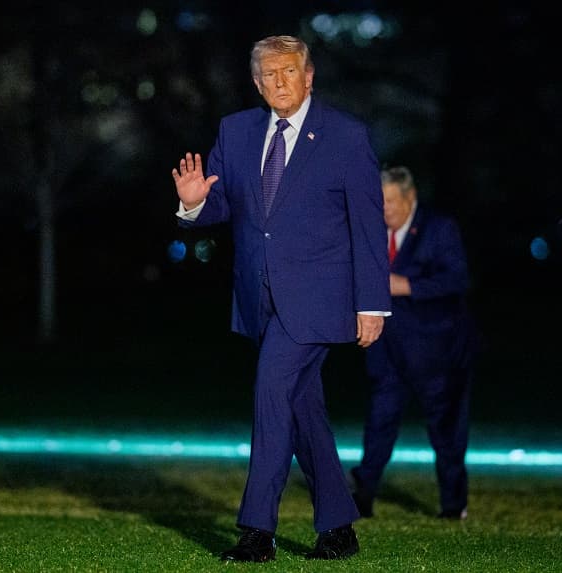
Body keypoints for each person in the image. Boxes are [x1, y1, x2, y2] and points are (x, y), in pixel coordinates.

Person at [171, 35, 391, 562]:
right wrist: (194, 205)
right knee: (302, 407)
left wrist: (372, 304)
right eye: (268, 74)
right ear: (256, 82)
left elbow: (368, 225)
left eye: (289, 71)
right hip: (260, 298)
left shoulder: (345, 136)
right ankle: (338, 528)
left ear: (308, 77)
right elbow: (225, 204)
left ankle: (257, 531)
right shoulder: (237, 130)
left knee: (271, 392)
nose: (279, 82)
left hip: (319, 301)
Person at [350, 166, 479, 521]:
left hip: (438, 351)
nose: (384, 208)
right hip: (387, 350)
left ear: (410, 198)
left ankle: (453, 504)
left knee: (446, 429)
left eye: (390, 201)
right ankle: (363, 495)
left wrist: (407, 285)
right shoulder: (370, 230)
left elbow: (458, 279)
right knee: (379, 422)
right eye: (379, 201)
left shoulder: (439, 228)